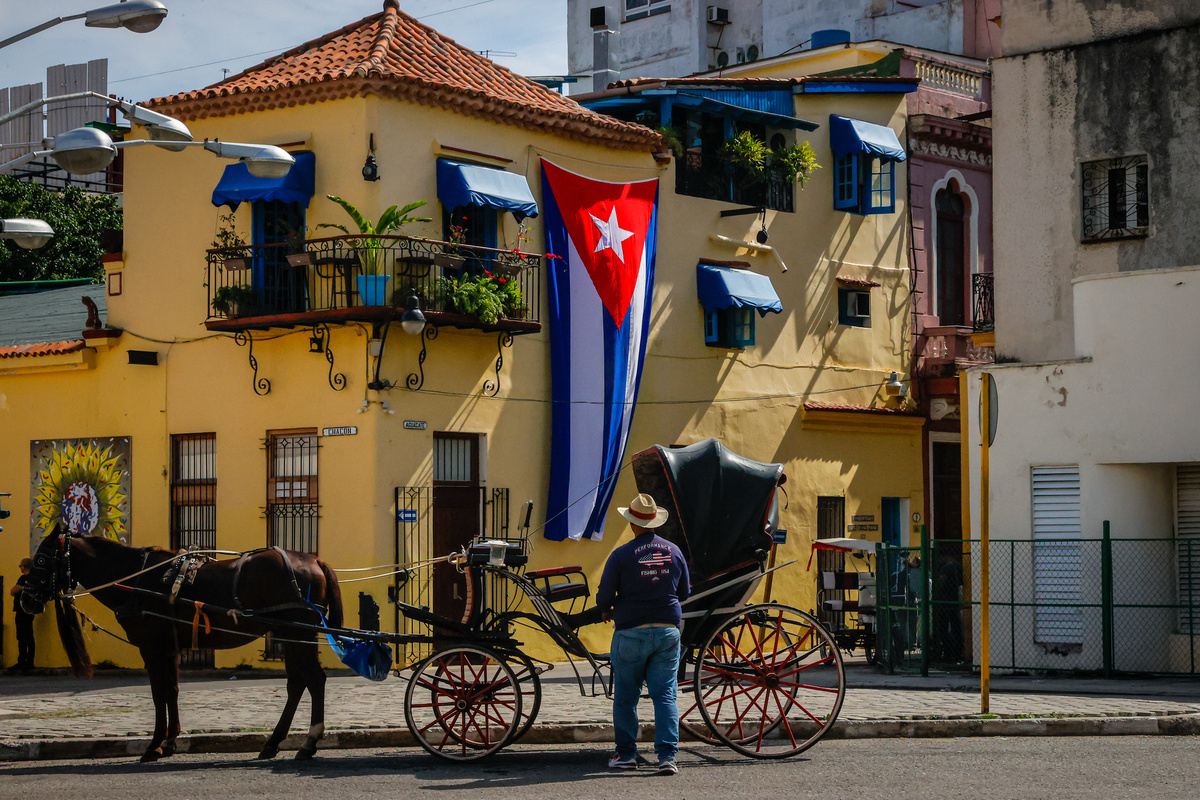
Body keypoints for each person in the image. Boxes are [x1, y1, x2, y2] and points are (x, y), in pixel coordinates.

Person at [596, 493, 690, 776]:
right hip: (667, 632)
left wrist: (607, 608)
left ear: (632, 523)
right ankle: (667, 757)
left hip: (631, 632)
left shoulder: (621, 554)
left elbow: (603, 598)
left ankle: (626, 754)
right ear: (654, 522)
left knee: (626, 696)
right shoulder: (673, 551)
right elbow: (684, 592)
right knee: (665, 696)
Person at [8, 558, 35, 671]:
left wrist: (19, 588)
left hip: (22, 611)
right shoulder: (33, 579)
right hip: (28, 610)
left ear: (24, 567)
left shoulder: (24, 578)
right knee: (27, 635)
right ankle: (28, 661)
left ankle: (23, 661)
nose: (20, 568)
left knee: (23, 636)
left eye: (20, 566)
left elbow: (13, 592)